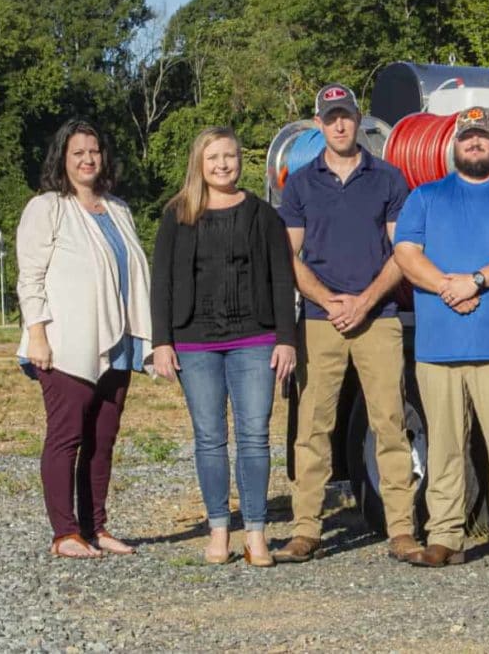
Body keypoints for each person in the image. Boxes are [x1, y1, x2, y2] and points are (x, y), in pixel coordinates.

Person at [275, 84, 421, 564]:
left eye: (347, 116)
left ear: (359, 120)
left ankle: (401, 529)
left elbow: (403, 253)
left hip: (377, 317)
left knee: (390, 422)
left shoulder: (389, 178)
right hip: (320, 320)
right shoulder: (299, 184)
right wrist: (328, 299)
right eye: (330, 117)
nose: (339, 124)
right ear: (318, 124)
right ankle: (306, 529)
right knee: (314, 427)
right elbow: (287, 256)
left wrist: (365, 300)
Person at [392, 107, 489, 571]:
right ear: (454, 145)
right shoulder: (426, 196)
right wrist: (446, 286)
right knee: (445, 446)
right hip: (439, 345)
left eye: (483, 137)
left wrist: (475, 280)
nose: (474, 143)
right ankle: (444, 535)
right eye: (467, 137)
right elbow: (406, 253)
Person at [150, 127, 297, 567]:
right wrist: (162, 342)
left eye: (229, 156)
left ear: (239, 161)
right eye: (213, 157)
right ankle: (218, 530)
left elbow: (282, 278)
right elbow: (162, 283)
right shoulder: (177, 215)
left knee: (254, 436)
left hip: (255, 339)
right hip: (195, 342)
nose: (222, 165)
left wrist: (286, 339)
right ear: (199, 162)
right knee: (210, 438)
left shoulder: (262, 215)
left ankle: (255, 533)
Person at [16, 118, 151, 559]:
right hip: (66, 342)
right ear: (63, 159)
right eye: (78, 152)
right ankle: (65, 533)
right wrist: (36, 333)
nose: (88, 159)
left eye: (94, 151)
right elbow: (30, 277)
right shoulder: (48, 207)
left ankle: (96, 527)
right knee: (67, 436)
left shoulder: (117, 208)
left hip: (118, 342)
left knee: (103, 439)